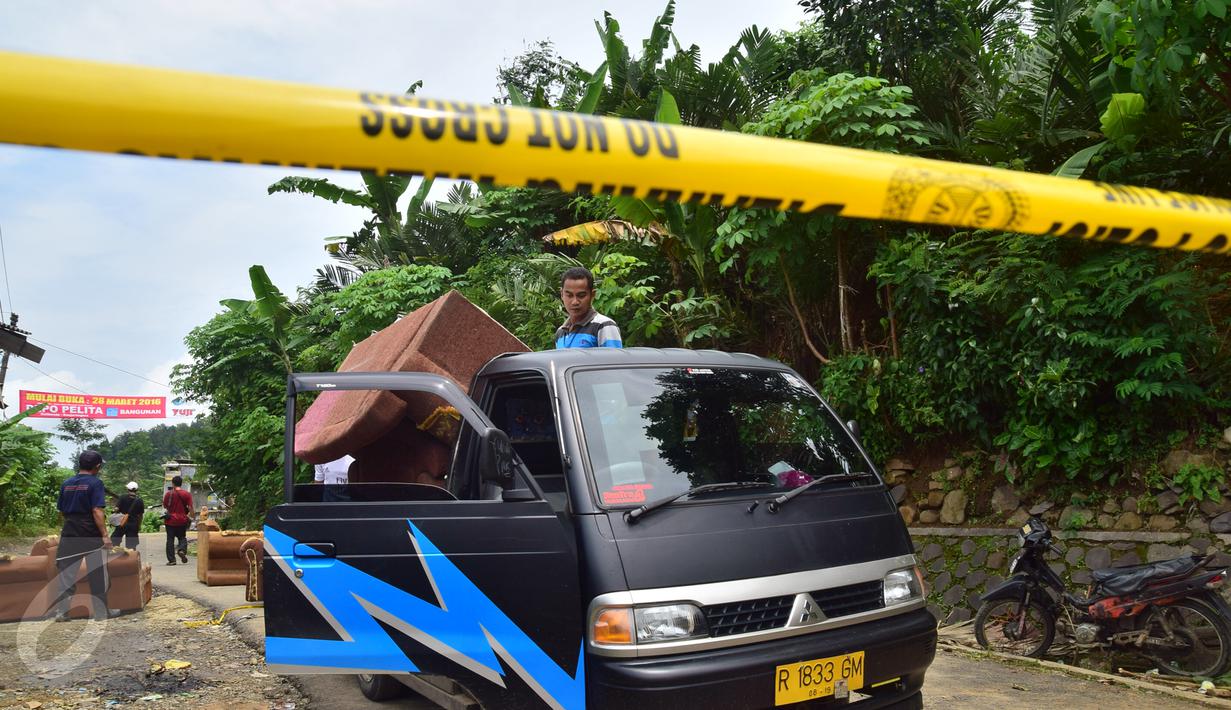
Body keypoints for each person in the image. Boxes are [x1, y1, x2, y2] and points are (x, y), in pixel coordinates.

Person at [48, 450, 113, 621]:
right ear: (97, 466)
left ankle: (62, 612)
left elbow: (62, 510)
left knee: (66, 573)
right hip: (90, 532)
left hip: (69, 531)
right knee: (97, 572)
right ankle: (101, 612)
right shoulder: (96, 483)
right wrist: (105, 535)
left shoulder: (66, 483)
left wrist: (72, 522)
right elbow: (97, 510)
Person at [554, 266, 623, 349]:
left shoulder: (604, 326)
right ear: (562, 294)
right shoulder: (560, 332)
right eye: (569, 295)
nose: (575, 301)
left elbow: (615, 361)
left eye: (581, 296)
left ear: (592, 295)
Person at [162, 475, 193, 565]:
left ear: (173, 483)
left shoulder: (169, 494)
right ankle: (181, 550)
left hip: (170, 520)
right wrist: (192, 517)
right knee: (182, 538)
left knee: (170, 540)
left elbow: (165, 506)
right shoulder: (187, 494)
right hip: (182, 520)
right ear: (181, 483)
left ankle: (172, 560)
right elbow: (190, 507)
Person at [110, 481, 144, 550]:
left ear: (128, 489)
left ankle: (116, 558)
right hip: (133, 525)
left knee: (115, 543)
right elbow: (140, 515)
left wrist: (114, 510)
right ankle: (131, 559)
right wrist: (139, 526)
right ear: (137, 490)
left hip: (122, 523)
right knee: (131, 547)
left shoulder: (123, 497)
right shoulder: (140, 500)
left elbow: (116, 509)